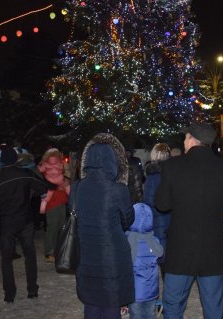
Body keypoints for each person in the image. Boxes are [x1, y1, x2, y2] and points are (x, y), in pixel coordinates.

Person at [155, 123, 223, 319]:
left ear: (191, 139)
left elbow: (162, 204)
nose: (183, 141)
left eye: (185, 137)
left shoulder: (172, 166)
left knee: (173, 304)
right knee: (213, 306)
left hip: (180, 251)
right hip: (212, 251)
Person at [72, 133, 135, 318]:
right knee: (110, 302)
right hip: (112, 254)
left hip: (86, 251)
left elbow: (74, 213)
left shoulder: (78, 187)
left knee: (91, 301)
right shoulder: (118, 189)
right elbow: (128, 219)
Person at [0, 145, 47, 302]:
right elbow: (42, 188)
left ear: (2, 161)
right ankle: (32, 289)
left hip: (6, 222)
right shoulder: (24, 174)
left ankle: (9, 294)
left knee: (6, 259)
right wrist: (31, 193)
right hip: (25, 221)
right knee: (30, 255)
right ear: (16, 159)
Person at [126, 202, 164, 319]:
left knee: (136, 315)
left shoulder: (129, 239)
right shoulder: (154, 240)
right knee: (150, 315)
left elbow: (127, 261)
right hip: (151, 291)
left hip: (135, 292)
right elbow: (161, 254)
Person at [142, 142, 172, 275]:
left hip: (157, 219)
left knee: (160, 252)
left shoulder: (152, 177)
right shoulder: (174, 173)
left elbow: (148, 201)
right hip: (173, 217)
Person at [38, 148, 69, 263]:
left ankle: (57, 251)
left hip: (61, 200)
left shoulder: (61, 165)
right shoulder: (44, 168)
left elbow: (66, 178)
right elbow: (43, 182)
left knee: (60, 228)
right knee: (53, 228)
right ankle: (49, 252)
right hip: (52, 201)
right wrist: (57, 186)